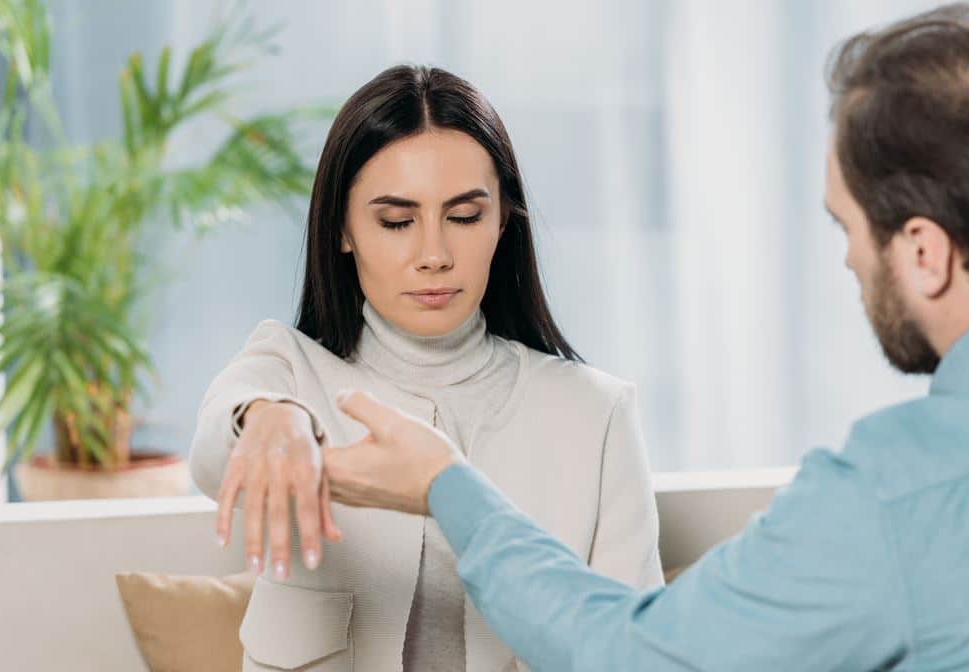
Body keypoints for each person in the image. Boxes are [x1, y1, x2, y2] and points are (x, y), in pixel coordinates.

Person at [319, 5, 969, 670]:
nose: (847, 258)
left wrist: (448, 489)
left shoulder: (892, 494)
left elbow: (635, 657)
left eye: (846, 227)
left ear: (923, 251)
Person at [189, 65, 662, 671]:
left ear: (502, 223)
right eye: (396, 222)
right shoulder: (285, 370)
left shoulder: (597, 414)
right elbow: (212, 455)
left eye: (464, 217)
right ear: (342, 229)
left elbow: (634, 654)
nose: (434, 255)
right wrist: (267, 421)